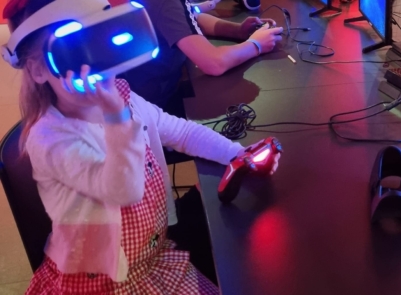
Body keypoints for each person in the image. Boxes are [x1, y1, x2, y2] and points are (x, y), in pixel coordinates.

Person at [3, 0, 281, 293]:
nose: (91, 66)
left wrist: (236, 153)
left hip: (152, 260)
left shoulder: (124, 97)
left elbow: (180, 132)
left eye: (96, 44)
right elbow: (121, 189)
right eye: (72, 52)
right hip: (103, 282)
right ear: (37, 70)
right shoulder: (50, 137)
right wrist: (115, 117)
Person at [119, 0, 284, 109]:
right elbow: (213, 63)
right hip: (150, 106)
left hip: (142, 93)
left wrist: (238, 31)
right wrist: (256, 45)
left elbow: (191, 16)